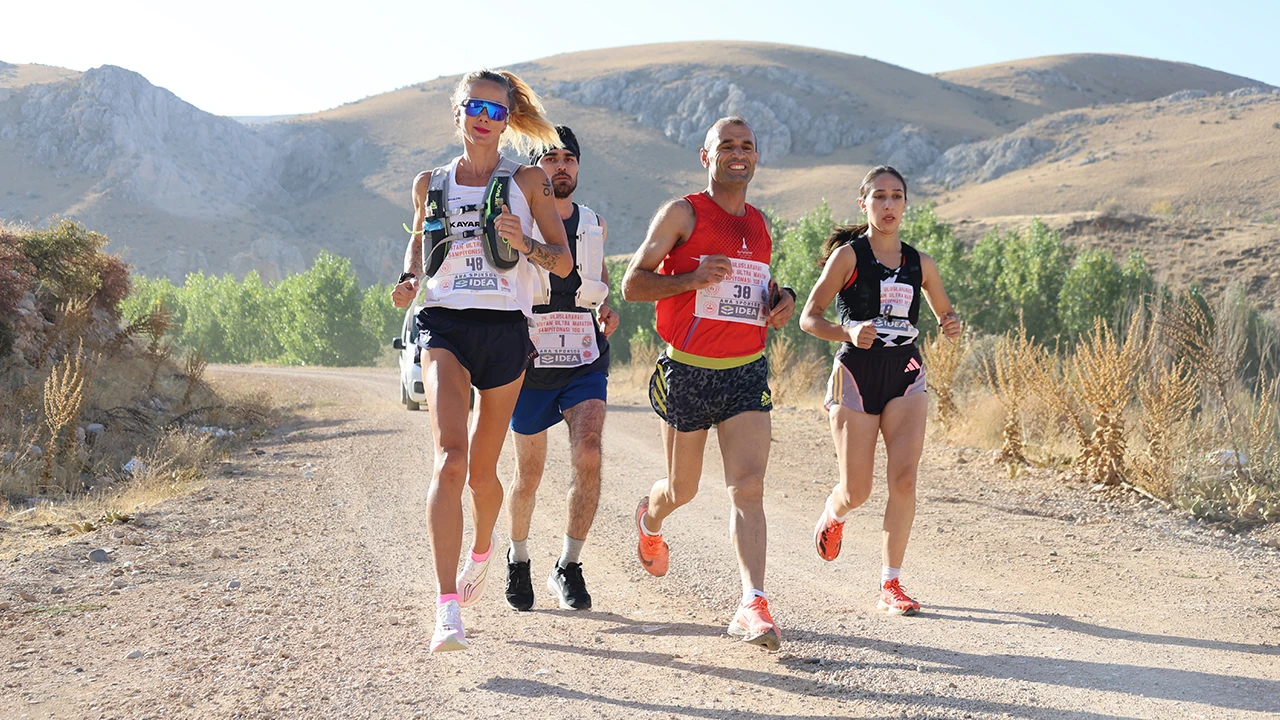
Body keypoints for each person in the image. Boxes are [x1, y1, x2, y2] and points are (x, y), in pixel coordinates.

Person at [390, 69, 573, 653]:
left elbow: (563, 262)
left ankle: (484, 546)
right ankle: (446, 608)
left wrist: (525, 243)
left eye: (496, 111)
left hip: (504, 330)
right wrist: (408, 278)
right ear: (458, 112)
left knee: (481, 473)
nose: (485, 119)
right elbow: (420, 241)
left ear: (507, 119)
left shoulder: (527, 181)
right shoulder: (431, 182)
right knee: (450, 460)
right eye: (476, 108)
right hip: (445, 322)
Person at [621, 116, 795, 651]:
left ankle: (752, 603)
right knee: (683, 490)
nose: (738, 153)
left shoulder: (760, 223)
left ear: (756, 156)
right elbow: (632, 285)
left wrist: (781, 300)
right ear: (706, 156)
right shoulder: (683, 213)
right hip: (689, 371)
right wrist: (691, 278)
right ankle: (650, 521)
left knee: (749, 487)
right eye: (727, 146)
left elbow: (754, 287)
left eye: (747, 146)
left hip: (745, 369)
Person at [798, 166, 961, 616]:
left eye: (897, 196)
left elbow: (945, 312)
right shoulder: (848, 258)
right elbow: (809, 318)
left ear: (906, 203)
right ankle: (835, 512)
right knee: (858, 490)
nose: (889, 205)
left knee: (905, 479)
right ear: (864, 203)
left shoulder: (920, 263)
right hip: (857, 372)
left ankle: (891, 583)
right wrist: (848, 331)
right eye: (880, 197)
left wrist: (950, 323)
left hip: (905, 372)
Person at [504, 126, 620, 612]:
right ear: (535, 169)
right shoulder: (515, 221)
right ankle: (519, 558)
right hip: (530, 361)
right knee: (528, 475)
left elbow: (598, 278)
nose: (561, 166)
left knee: (588, 453)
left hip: (584, 358)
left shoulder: (595, 224)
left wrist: (607, 307)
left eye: (568, 157)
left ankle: (568, 565)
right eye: (550, 158)